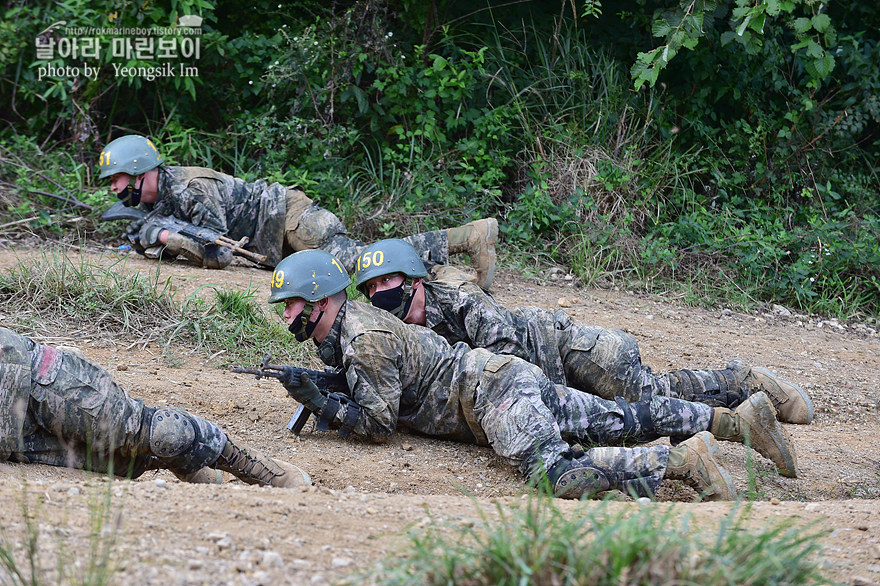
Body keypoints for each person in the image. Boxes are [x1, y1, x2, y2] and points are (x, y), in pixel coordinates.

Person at [264, 249, 799, 502]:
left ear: (316, 298)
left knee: (555, 473)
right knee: (617, 419)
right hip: (500, 379)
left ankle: (682, 460)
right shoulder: (357, 330)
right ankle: (735, 422)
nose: (286, 317)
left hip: (496, 386)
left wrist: (326, 402)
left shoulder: (364, 335)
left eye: (290, 306)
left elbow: (377, 425)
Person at [352, 238, 814, 425]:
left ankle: (744, 382)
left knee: (648, 396)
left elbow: (505, 356)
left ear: (413, 279)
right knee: (634, 418)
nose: (378, 293)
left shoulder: (460, 299)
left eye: (386, 281)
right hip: (548, 373)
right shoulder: (392, 326)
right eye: (370, 287)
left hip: (570, 348)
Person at [96, 135, 499, 289]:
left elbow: (218, 254)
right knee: (355, 274)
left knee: (361, 263)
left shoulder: (191, 189)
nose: (113, 188)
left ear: (136, 172)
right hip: (273, 244)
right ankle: (449, 274)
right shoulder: (158, 199)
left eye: (115, 178)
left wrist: (165, 237)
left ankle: (467, 237)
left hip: (288, 216)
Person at [0, 326, 310, 488]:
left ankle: (247, 463)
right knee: (115, 464)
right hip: (9, 435)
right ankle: (178, 463)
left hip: (26, 377)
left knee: (153, 432)